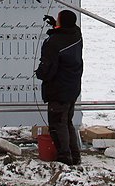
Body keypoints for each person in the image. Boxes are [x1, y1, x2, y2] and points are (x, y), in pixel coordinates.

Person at [35, 9, 84, 166]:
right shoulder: (76, 34)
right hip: (72, 87)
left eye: (58, 19)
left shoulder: (54, 43)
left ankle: (64, 157)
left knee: (57, 124)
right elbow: (67, 31)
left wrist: (40, 73)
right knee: (67, 122)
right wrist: (56, 26)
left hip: (58, 89)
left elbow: (48, 68)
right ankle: (74, 156)